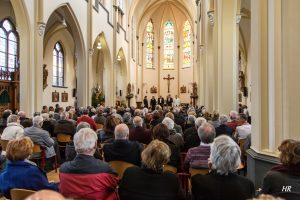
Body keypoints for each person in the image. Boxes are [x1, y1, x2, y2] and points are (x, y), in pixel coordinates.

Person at [59, 128, 118, 199]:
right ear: (95, 145)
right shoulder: (106, 169)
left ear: (75, 146)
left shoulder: (63, 169)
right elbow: (114, 184)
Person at [191, 135, 255, 200]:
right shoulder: (247, 185)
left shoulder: (198, 182)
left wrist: (211, 171)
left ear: (214, 157)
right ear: (236, 158)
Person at [119, 140, 185, 200]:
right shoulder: (172, 179)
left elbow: (120, 194)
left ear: (145, 154)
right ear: (165, 160)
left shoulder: (129, 172)